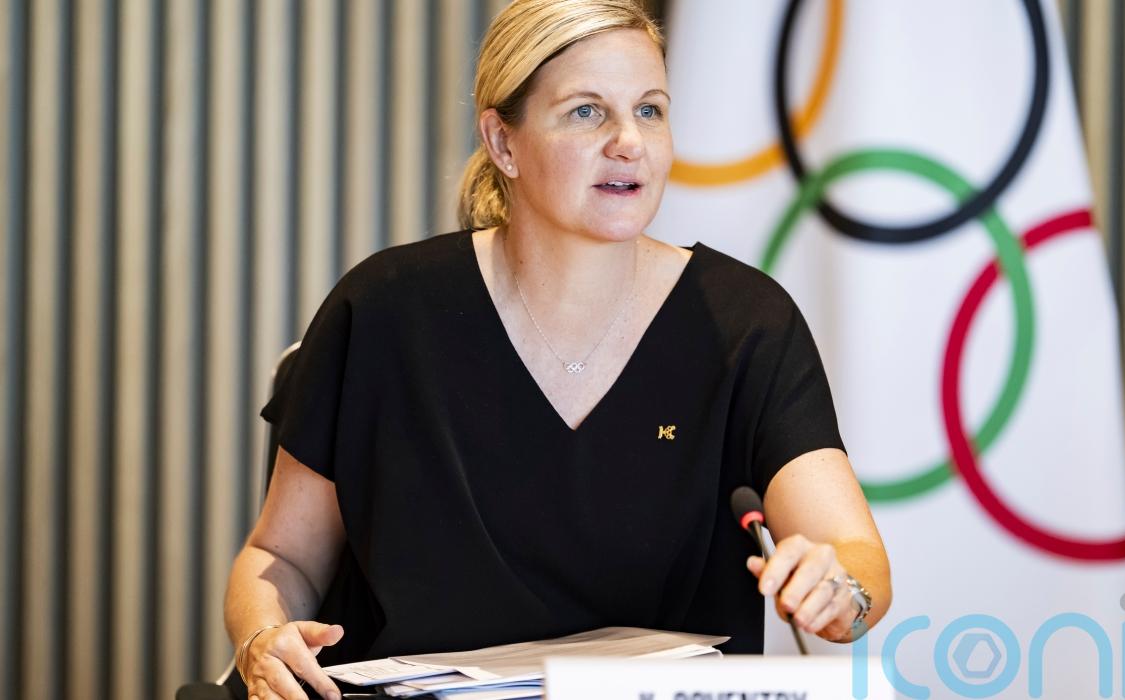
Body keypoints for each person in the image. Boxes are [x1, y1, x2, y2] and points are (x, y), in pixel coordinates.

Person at [223, 1, 891, 698]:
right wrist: (262, 638)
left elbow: (858, 563)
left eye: (650, 110)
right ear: (503, 143)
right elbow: (280, 557)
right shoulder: (384, 312)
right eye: (586, 112)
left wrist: (838, 592)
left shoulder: (745, 323)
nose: (629, 142)